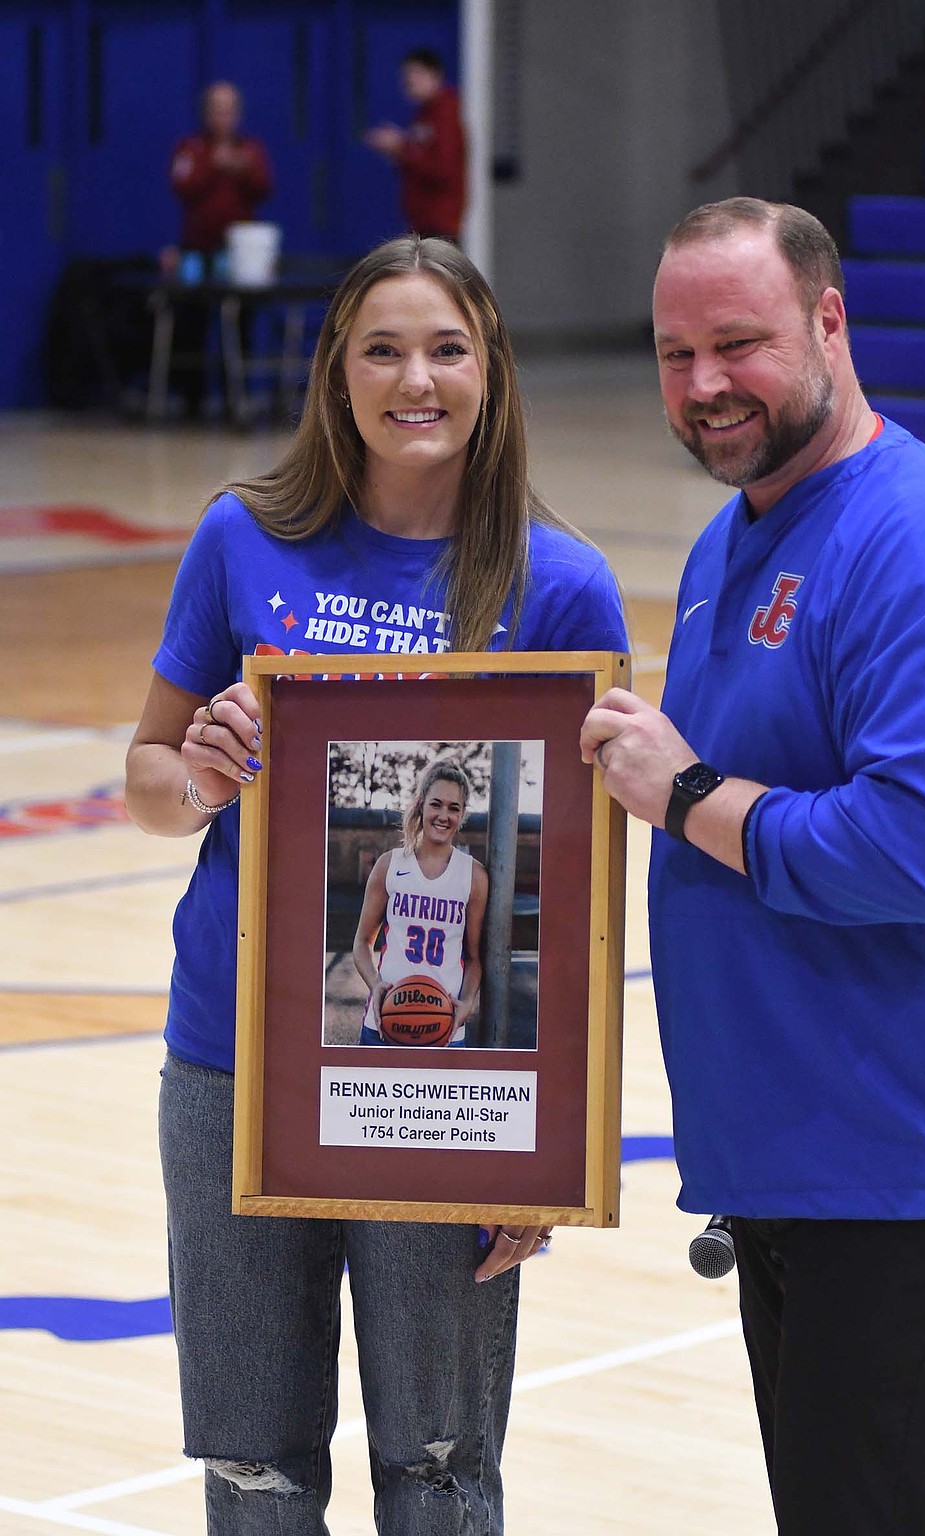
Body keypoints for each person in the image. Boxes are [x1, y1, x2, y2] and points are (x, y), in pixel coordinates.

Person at [581, 196, 925, 1536]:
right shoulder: (728, 541)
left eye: (738, 344)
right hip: (808, 1165)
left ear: (828, 320)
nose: (704, 386)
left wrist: (688, 791)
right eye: (675, 354)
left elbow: (916, 856)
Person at [125, 233, 627, 1533]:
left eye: (447, 348)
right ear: (337, 372)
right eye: (384, 349)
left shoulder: (557, 585)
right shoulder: (243, 539)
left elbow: (568, 907)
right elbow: (144, 781)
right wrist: (201, 769)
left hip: (443, 1089)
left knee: (440, 1465)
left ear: (492, 370)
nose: (417, 378)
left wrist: (545, 1160)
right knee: (254, 1461)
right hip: (235, 1060)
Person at [354, 758, 488, 1046]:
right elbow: (362, 943)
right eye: (436, 804)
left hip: (445, 1026)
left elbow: (475, 958)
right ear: (421, 804)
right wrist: (376, 985)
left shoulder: (473, 875)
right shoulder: (389, 865)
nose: (444, 815)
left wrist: (466, 1003)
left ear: (462, 815)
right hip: (385, 1020)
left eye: (454, 808)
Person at [167, 81, 273, 416]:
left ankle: (234, 398)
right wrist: (214, 165)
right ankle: (190, 400)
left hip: (238, 252)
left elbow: (264, 187)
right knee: (191, 323)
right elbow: (183, 185)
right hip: (197, 250)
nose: (222, 118)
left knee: (238, 324)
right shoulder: (192, 148)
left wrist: (240, 169)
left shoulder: (251, 150)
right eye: (216, 110)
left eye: (229, 111)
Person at [364, 49, 466, 243]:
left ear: (434, 75)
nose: (410, 83)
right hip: (422, 218)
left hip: (439, 218)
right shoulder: (424, 114)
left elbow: (442, 168)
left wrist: (401, 148)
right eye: (407, 77)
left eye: (416, 74)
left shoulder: (445, 112)